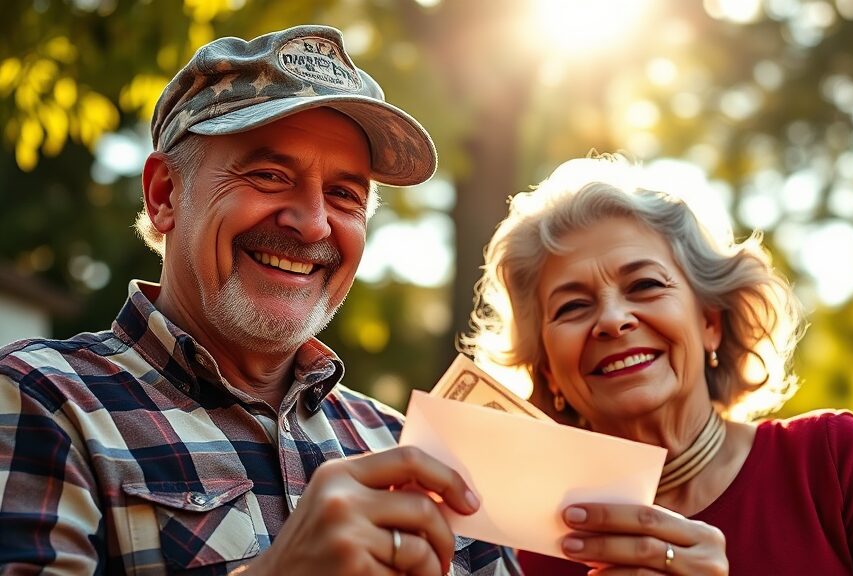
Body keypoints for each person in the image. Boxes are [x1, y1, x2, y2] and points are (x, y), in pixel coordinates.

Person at [0, 25, 520, 575]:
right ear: (164, 195)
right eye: (269, 175)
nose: (312, 223)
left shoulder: (406, 446)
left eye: (344, 195)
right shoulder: (42, 400)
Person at [462, 155, 853, 575]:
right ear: (547, 369)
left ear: (710, 322)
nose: (612, 321)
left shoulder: (831, 461)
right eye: (572, 307)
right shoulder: (519, 549)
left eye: (645, 286)